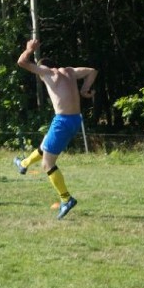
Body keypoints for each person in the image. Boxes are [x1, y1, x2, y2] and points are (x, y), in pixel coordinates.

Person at [14, 39, 97, 220]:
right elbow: (92, 71)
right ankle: (24, 164)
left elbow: (21, 62)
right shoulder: (69, 72)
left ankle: (66, 199)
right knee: (45, 145)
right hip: (75, 120)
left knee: (47, 164)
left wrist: (29, 49)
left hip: (63, 121)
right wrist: (84, 90)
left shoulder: (47, 72)